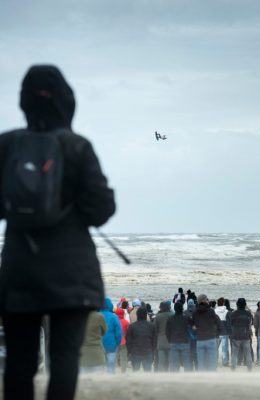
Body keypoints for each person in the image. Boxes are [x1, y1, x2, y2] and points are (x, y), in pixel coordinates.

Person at [0, 65, 116, 400]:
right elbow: (102, 210)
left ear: (24, 101)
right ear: (67, 100)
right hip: (71, 272)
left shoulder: (6, 145)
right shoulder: (76, 146)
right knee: (64, 358)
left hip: (19, 267)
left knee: (20, 362)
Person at [192, 294, 220, 371]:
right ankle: (212, 377)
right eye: (207, 299)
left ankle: (201, 378)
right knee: (212, 361)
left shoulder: (195, 312)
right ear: (204, 300)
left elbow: (193, 325)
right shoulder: (211, 311)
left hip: (200, 339)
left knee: (200, 362)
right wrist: (216, 333)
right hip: (210, 338)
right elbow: (218, 322)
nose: (208, 301)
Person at [126, 307, 157, 372]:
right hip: (148, 351)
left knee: (135, 371)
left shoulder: (132, 326)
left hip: (135, 352)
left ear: (137, 315)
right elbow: (155, 340)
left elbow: (128, 340)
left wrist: (129, 351)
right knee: (147, 372)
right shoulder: (152, 326)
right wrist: (153, 350)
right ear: (146, 315)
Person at [228, 297, 253, 371]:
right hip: (246, 336)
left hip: (236, 336)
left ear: (237, 304)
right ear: (245, 304)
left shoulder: (234, 313)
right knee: (248, 353)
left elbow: (231, 324)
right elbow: (251, 323)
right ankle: (249, 369)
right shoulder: (248, 313)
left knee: (234, 354)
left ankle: (233, 368)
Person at [166, 302, 192, 372]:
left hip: (174, 342)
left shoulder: (170, 319)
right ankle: (189, 378)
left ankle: (174, 379)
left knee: (174, 364)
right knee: (187, 363)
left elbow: (167, 332)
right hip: (184, 341)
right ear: (182, 309)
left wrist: (170, 340)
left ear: (174, 309)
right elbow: (192, 326)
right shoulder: (186, 318)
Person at [100, 298, 123, 374]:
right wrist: (118, 343)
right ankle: (110, 379)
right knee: (111, 366)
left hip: (99, 345)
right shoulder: (114, 317)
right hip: (112, 345)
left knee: (100, 367)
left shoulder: (97, 316)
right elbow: (119, 332)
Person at [154, 300, 174, 371]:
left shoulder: (158, 316)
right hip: (171, 341)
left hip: (161, 341)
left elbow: (155, 330)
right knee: (171, 361)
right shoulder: (172, 315)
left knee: (161, 362)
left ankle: (161, 377)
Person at [215, 297, 230, 367]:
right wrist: (229, 332)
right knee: (225, 349)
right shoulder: (226, 311)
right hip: (224, 332)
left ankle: (214, 361)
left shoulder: (215, 311)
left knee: (215, 348)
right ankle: (225, 362)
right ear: (223, 303)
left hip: (217, 333)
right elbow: (228, 323)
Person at [115, 307, 130, 373]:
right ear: (123, 314)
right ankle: (123, 371)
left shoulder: (115, 321)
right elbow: (128, 333)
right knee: (123, 357)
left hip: (115, 341)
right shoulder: (126, 322)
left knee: (115, 356)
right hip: (123, 341)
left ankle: (115, 369)